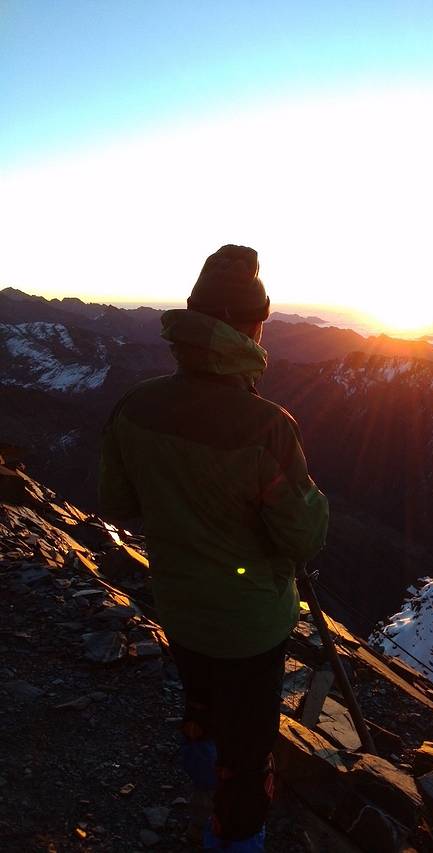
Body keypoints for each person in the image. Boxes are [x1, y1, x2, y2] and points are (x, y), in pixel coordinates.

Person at [99, 245, 329, 852]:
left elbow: (116, 501)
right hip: (250, 625)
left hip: (178, 602)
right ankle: (234, 834)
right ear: (253, 328)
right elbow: (302, 536)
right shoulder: (267, 426)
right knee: (249, 752)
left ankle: (200, 772)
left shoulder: (135, 406)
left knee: (199, 694)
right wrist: (313, 502)